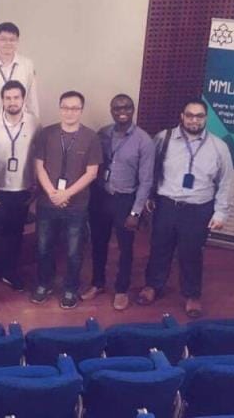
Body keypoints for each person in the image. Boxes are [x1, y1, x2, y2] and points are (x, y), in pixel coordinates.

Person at [137, 99, 233, 318]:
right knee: (159, 248)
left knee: (191, 253)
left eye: (199, 116)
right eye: (189, 115)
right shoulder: (164, 138)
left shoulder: (219, 147)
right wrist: (149, 195)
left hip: (198, 209)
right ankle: (153, 285)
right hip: (166, 205)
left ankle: (192, 295)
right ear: (182, 116)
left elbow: (226, 182)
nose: (194, 120)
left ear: (206, 118)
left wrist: (221, 212)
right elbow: (151, 169)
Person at [82, 94, 154, 311]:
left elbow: (146, 180)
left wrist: (135, 212)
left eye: (127, 107)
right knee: (98, 242)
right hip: (101, 196)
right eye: (117, 108)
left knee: (125, 248)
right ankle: (98, 283)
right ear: (111, 110)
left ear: (133, 110)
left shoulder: (144, 141)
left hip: (125, 200)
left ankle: (121, 289)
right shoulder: (103, 133)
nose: (122, 111)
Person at [31, 91, 102, 309]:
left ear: (81, 110)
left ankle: (70, 288)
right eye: (65, 107)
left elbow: (92, 173)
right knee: (43, 247)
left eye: (74, 108)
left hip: (76, 205)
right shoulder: (46, 133)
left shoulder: (91, 137)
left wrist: (66, 194)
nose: (69, 112)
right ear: (60, 108)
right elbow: (39, 166)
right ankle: (44, 284)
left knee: (73, 251)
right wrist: (53, 193)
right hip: (47, 202)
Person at [0, 80, 40, 292]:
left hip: (22, 188)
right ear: (2, 100)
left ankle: (9, 272)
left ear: (23, 99)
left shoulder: (34, 123)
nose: (12, 102)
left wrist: (36, 184)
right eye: (8, 98)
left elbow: (38, 155)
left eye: (16, 97)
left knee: (15, 233)